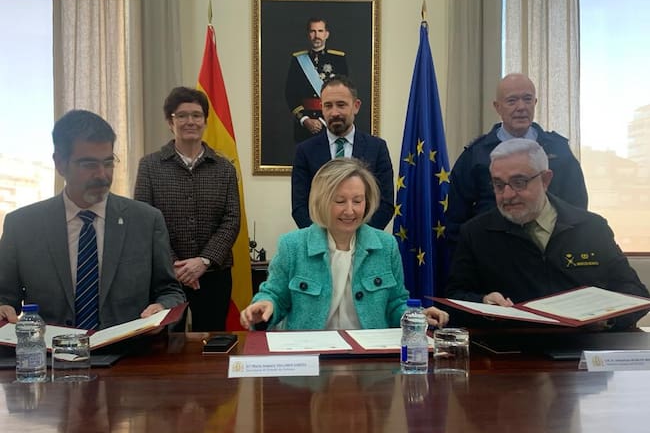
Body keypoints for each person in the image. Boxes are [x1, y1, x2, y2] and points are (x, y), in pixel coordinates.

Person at [0, 110, 185, 328]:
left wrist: (162, 309)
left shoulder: (146, 220)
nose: (102, 175)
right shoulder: (22, 226)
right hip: (50, 349)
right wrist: (3, 309)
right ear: (60, 163)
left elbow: (170, 292)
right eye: (89, 164)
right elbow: (5, 296)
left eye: (108, 163)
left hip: (128, 348)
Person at [446, 138, 649, 330]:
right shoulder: (476, 233)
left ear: (545, 179)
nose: (507, 195)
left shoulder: (591, 227)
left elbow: (635, 293)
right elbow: (454, 297)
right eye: (498, 185)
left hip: (586, 343)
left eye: (519, 182)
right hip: (510, 346)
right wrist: (483, 303)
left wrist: (608, 318)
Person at [241, 158, 448, 330]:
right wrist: (265, 305)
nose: (350, 211)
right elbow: (275, 296)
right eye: (340, 201)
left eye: (357, 201)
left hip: (369, 358)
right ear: (322, 201)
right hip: (311, 355)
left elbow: (395, 304)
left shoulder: (386, 245)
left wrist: (416, 316)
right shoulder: (292, 245)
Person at [134, 87, 240, 332]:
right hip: (164, 276)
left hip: (214, 272)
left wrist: (203, 261)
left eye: (196, 115)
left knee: (212, 341)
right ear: (170, 122)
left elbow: (232, 219)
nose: (190, 121)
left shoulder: (224, 168)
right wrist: (174, 264)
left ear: (205, 121)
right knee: (164, 342)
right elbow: (143, 220)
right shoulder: (149, 166)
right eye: (181, 115)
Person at [447, 73, 588, 248]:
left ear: (535, 103)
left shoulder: (559, 150)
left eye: (527, 99)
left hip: (551, 249)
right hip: (492, 250)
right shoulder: (475, 155)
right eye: (512, 101)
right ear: (497, 107)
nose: (521, 107)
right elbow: (456, 218)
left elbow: (577, 205)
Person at [291, 75, 394, 230]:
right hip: (319, 239)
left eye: (341, 105)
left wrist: (357, 237)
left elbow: (385, 204)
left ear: (356, 106)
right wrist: (325, 237)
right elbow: (300, 207)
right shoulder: (305, 151)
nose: (334, 113)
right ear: (322, 108)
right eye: (328, 106)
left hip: (364, 239)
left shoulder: (377, 148)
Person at [285, 17, 349, 143]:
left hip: (331, 123)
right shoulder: (298, 60)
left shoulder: (338, 59)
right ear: (308, 34)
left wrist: (325, 119)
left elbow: (344, 93)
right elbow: (290, 93)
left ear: (326, 34)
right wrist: (304, 119)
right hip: (304, 127)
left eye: (320, 31)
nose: (316, 36)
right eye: (312, 31)